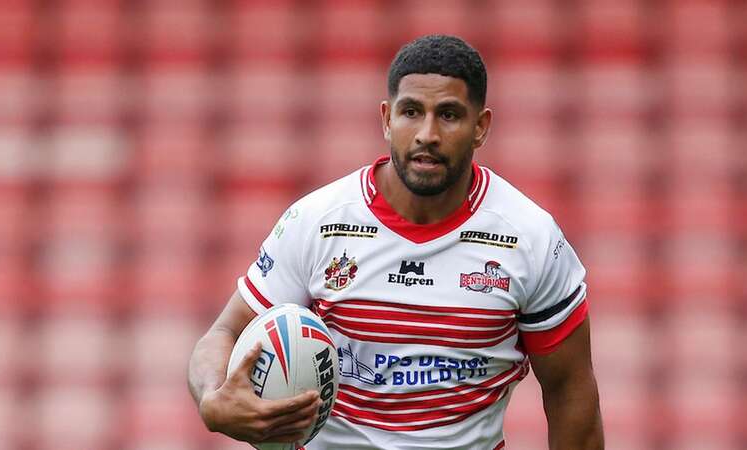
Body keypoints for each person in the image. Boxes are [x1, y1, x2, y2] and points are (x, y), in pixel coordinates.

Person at [188, 34, 604, 449]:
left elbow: (570, 391)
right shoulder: (317, 222)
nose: (427, 133)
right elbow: (225, 332)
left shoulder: (528, 237)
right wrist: (212, 399)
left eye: (449, 115)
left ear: (481, 128)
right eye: (411, 112)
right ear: (387, 119)